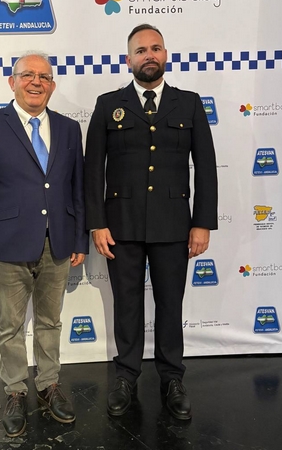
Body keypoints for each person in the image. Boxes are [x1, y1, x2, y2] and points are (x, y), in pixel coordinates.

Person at [84, 24, 217, 420]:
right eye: (141, 50)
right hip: (120, 225)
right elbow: (92, 170)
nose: (149, 55)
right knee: (127, 304)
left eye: (155, 48)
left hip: (173, 224)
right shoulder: (109, 104)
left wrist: (202, 222)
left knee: (170, 304)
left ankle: (172, 378)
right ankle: (126, 376)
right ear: (129, 60)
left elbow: (206, 167)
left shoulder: (188, 103)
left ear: (165, 55)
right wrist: (97, 223)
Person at [0, 52, 88, 437]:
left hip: (58, 243)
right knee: (11, 326)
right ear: (12, 82)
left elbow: (77, 189)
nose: (36, 82)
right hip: (7, 246)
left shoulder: (69, 129)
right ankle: (15, 390)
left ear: (52, 85)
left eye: (44, 77)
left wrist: (80, 238)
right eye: (28, 75)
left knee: (50, 321)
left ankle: (48, 384)